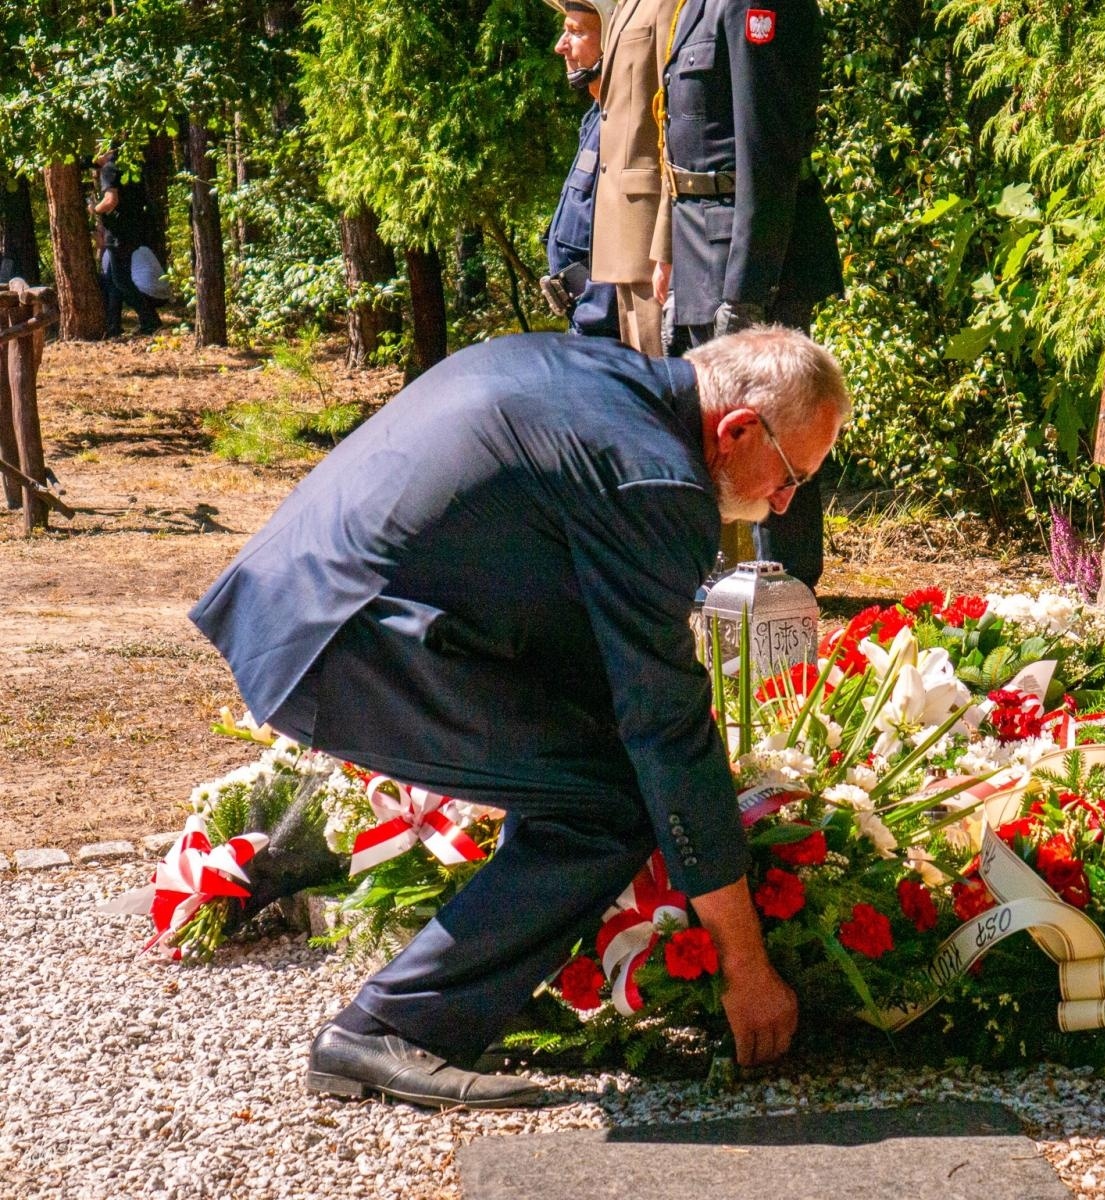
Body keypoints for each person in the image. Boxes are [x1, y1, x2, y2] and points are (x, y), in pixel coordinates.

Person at [189, 327, 849, 1108]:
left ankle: (484, 987)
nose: (782, 503)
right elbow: (664, 724)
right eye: (792, 476)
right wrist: (748, 962)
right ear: (737, 430)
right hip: (346, 640)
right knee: (612, 805)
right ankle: (388, 1030)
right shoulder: (655, 479)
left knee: (590, 763)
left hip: (304, 598)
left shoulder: (594, 370)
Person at [655, 0, 843, 589]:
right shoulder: (696, 6)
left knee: (775, 430)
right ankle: (713, 592)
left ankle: (784, 601)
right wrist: (675, 268)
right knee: (702, 434)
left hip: (747, 257)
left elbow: (768, 152)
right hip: (698, 246)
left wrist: (746, 292)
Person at [589, 0, 676, 355]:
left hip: (648, 230)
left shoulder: (665, 4)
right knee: (644, 383)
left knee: (662, 384)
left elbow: (673, 121)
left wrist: (666, 241)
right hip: (623, 231)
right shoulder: (626, 6)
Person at [541, 0, 621, 338]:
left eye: (576, 32)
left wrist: (597, 316)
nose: (561, 46)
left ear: (613, 42)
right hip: (584, 318)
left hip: (606, 326)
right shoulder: (595, 118)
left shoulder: (628, 125)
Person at [92, 148, 162, 338]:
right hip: (135, 229)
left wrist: (94, 210)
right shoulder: (129, 167)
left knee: (121, 281)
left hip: (118, 232)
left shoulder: (109, 169)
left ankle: (151, 320)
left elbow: (111, 200)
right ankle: (113, 325)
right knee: (115, 279)